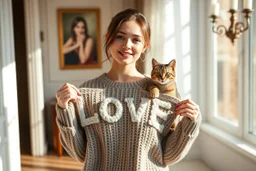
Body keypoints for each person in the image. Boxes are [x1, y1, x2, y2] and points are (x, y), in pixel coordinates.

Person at [55, 8, 201, 171]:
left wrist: (191, 123)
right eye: (120, 37)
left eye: (136, 40)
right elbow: (81, 154)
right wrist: (64, 110)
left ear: (144, 46)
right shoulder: (87, 93)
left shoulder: (160, 94)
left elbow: (168, 155)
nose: (127, 45)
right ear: (108, 38)